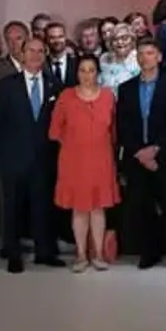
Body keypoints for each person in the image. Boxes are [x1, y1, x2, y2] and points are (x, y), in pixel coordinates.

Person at [116, 39, 166, 271]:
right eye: (141, 54)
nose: (145, 57)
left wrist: (156, 149)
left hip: (165, 156)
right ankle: (149, 253)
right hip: (138, 157)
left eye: (149, 53)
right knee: (143, 207)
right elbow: (123, 125)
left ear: (159, 57)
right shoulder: (126, 88)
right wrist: (140, 152)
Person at [0, 36, 60, 272]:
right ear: (22, 54)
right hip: (14, 158)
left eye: (41, 51)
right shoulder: (8, 85)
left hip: (44, 158)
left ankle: (45, 252)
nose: (36, 55)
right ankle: (13, 254)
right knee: (13, 208)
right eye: (31, 50)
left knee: (43, 206)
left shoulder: (54, 84)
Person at [47, 53, 118, 272]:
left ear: (98, 72)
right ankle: (80, 254)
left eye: (91, 70)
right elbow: (54, 131)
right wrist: (76, 144)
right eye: (82, 70)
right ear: (76, 73)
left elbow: (114, 131)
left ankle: (97, 253)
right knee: (79, 209)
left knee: (98, 209)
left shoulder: (108, 96)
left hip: (101, 160)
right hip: (74, 162)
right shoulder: (66, 96)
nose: (87, 75)